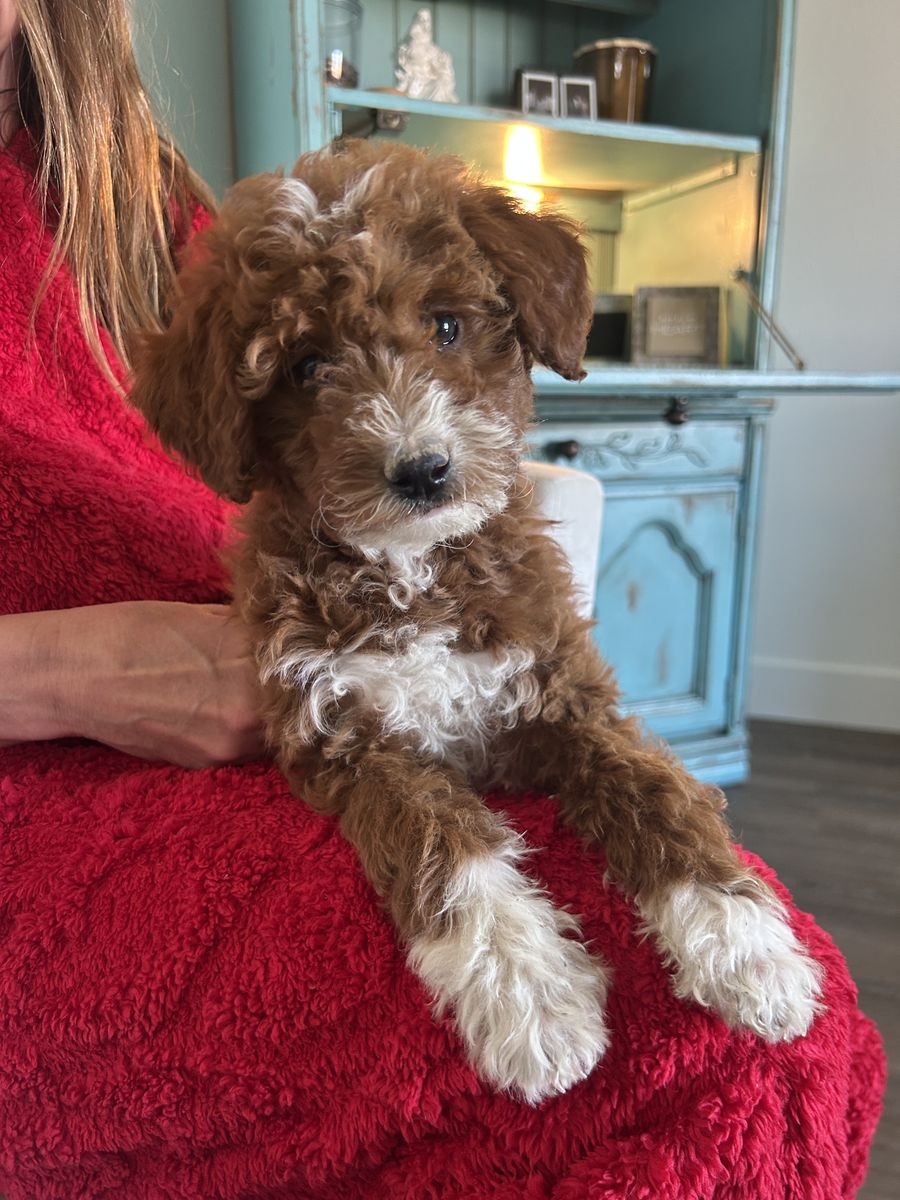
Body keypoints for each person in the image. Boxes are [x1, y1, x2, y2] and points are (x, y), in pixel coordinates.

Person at [0, 3, 886, 1198]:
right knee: (679, 1076)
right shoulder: (228, 330)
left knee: (764, 1015)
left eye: (450, 326)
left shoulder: (126, 177)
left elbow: (575, 717)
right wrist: (59, 670)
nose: (408, 430)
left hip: (241, 689)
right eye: (315, 372)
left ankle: (698, 885)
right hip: (85, 784)